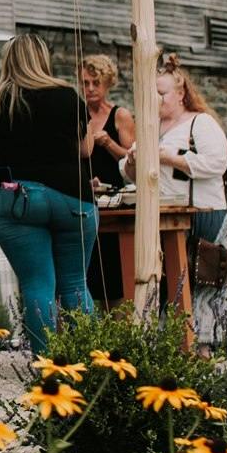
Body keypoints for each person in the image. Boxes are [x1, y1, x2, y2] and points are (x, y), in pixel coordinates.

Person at [0, 33, 96, 352]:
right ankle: (90, 360)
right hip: (72, 197)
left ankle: (48, 365)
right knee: (75, 284)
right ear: (43, 59)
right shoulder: (68, 95)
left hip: (20, 197)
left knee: (37, 284)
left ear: (8, 61)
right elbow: (86, 149)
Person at [131, 54, 227, 344]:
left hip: (205, 211)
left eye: (161, 93)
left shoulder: (200, 123)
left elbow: (217, 162)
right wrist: (132, 162)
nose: (157, 99)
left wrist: (171, 158)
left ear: (180, 94)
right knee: (170, 281)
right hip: (166, 215)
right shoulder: (151, 127)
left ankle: (205, 346)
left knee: (207, 281)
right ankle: (173, 343)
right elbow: (131, 171)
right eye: (152, 93)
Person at [79, 54, 138, 308]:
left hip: (116, 202)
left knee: (115, 273)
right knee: (90, 273)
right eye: (85, 83)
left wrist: (108, 143)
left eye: (96, 83)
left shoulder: (119, 115)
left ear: (107, 84)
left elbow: (134, 157)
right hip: (88, 200)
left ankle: (120, 320)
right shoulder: (78, 115)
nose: (90, 88)